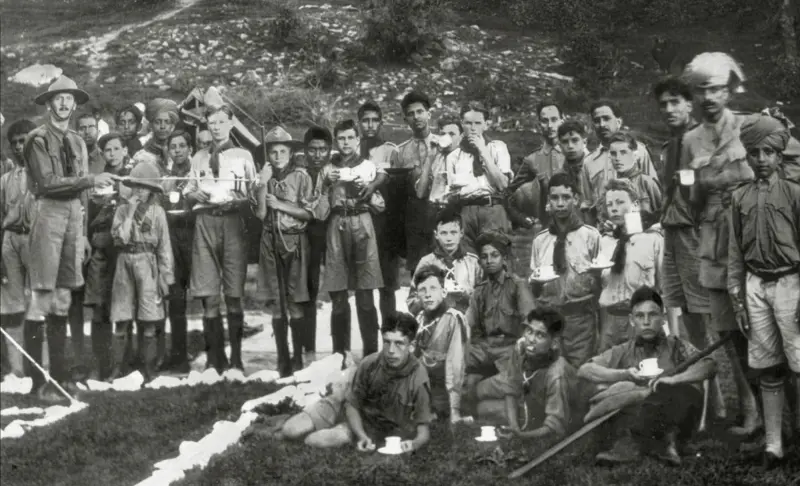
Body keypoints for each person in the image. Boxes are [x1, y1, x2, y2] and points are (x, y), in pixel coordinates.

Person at [23, 76, 117, 401]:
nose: (64, 104)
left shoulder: (78, 141)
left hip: (73, 219)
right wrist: (89, 179)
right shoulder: (37, 139)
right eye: (58, 98)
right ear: (49, 103)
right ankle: (38, 381)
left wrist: (83, 231)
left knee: (63, 298)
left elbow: (83, 195)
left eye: (69, 99)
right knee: (41, 298)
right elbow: (48, 183)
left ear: (75, 104)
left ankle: (61, 380)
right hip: (47, 214)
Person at [681, 52, 755, 425]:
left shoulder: (750, 127)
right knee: (728, 331)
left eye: (716, 90)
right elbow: (690, 202)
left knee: (762, 324)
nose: (708, 98)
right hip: (713, 238)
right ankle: (751, 409)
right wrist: (693, 177)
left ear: (730, 91)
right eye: (701, 90)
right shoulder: (690, 139)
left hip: (753, 235)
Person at [728, 115, 800, 469]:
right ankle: (774, 445)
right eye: (754, 152)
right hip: (756, 285)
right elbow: (735, 254)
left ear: (779, 156)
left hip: (791, 284)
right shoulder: (739, 197)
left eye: (768, 152)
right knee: (768, 366)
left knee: (799, 362)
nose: (760, 159)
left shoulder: (794, 194)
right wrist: (738, 299)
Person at [578, 287, 716, 467]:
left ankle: (641, 443)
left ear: (664, 318)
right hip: (644, 409)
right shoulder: (625, 349)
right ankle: (661, 444)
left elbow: (709, 365)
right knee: (628, 394)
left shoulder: (676, 345)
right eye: (640, 316)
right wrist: (624, 374)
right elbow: (585, 369)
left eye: (652, 315)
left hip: (678, 410)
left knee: (679, 393)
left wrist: (674, 380)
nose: (646, 322)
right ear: (631, 320)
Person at [183, 98, 257, 373]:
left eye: (221, 122)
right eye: (211, 122)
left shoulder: (243, 156)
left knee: (233, 294)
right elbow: (188, 191)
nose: (215, 127)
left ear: (230, 124)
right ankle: (216, 359)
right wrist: (194, 194)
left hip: (232, 223)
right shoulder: (199, 157)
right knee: (209, 296)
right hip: (205, 223)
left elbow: (254, 193)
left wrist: (240, 201)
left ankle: (236, 358)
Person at [255, 127, 317, 376]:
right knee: (277, 303)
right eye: (273, 151)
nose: (278, 155)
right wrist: (261, 185)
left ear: (291, 153)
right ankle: (282, 361)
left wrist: (280, 204)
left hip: (295, 241)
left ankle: (297, 357)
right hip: (270, 241)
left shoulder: (302, 177)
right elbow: (260, 213)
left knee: (295, 301)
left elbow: (308, 213)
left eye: (283, 151)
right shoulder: (264, 177)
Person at [109, 162, 173, 382]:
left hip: (148, 263)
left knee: (148, 318)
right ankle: (118, 368)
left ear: (152, 191)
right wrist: (130, 212)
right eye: (136, 186)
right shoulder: (121, 210)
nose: (139, 191)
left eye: (144, 187)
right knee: (122, 316)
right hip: (124, 261)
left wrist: (166, 276)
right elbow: (122, 239)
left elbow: (164, 247)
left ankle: (149, 369)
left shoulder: (158, 213)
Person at [530, 172, 601, 367]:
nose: (560, 203)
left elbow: (600, 282)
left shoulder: (591, 237)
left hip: (580, 320)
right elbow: (534, 284)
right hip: (550, 319)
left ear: (576, 200)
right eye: (555, 198)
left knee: (579, 372)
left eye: (566, 197)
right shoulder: (540, 241)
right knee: (550, 372)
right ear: (548, 201)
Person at [478, 308, 578, 443]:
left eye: (540, 335)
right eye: (529, 331)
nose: (531, 339)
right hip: (530, 404)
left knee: (487, 409)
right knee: (482, 407)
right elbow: (511, 388)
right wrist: (514, 427)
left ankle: (528, 426)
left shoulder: (557, 373)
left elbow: (555, 427)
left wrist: (521, 436)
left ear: (554, 343)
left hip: (553, 414)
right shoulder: (521, 347)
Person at [345, 311, 434, 453]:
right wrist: (361, 435)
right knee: (299, 430)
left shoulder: (418, 376)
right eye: (387, 342)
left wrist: (414, 444)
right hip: (359, 418)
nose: (391, 350)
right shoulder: (369, 363)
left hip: (382, 429)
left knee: (332, 437)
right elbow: (352, 404)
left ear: (411, 346)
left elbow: (423, 430)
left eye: (399, 343)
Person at [83, 132, 132, 380]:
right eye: (107, 150)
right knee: (99, 308)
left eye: (116, 148)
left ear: (125, 150)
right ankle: (99, 365)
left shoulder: (133, 177)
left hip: (125, 249)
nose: (112, 154)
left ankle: (120, 365)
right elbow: (88, 215)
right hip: (101, 247)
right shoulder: (98, 181)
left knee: (123, 306)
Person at [465, 231, 535, 400]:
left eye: (494, 255)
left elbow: (530, 321)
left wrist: (522, 345)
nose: (489, 261)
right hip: (485, 347)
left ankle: (481, 390)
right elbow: (469, 324)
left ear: (504, 259)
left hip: (509, 347)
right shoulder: (480, 290)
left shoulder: (517, 286)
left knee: (509, 381)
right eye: (484, 256)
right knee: (457, 360)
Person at [595, 179, 663, 351]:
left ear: (635, 205)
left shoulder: (652, 240)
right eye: (609, 204)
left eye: (620, 202)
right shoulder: (604, 242)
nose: (614, 208)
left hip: (642, 320)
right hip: (610, 320)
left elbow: (664, 288)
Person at [447, 101, 512, 253]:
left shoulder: (497, 148)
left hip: (492, 208)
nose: (473, 128)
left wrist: (483, 150)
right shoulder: (453, 157)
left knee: (495, 260)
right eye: (468, 123)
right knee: (467, 260)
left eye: (478, 123)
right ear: (462, 124)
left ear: (486, 125)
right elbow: (451, 193)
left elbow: (502, 184)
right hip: (465, 212)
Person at [0, 119, 37, 380]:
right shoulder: (5, 179)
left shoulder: (46, 175)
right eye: (14, 143)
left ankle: (41, 365)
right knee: (12, 308)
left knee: (40, 303)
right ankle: (16, 370)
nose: (18, 147)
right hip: (11, 240)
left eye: (23, 141)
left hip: (37, 240)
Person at [357, 101, 399, 325]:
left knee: (387, 288)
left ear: (381, 123)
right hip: (362, 223)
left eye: (375, 120)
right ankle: (369, 345)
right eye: (366, 120)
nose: (370, 125)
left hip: (386, 226)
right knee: (364, 288)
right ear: (359, 123)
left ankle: (390, 335)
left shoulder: (390, 150)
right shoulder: (353, 150)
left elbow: (397, 187)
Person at [412, 265, 470, 422]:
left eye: (433, 288)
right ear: (417, 295)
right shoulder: (420, 319)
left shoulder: (453, 318)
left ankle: (449, 410)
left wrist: (455, 410)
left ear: (444, 292)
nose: (428, 295)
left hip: (447, 388)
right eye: (422, 290)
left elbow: (455, 364)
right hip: (426, 386)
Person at [159, 129, 196, 373]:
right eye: (173, 147)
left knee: (206, 294)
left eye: (182, 146)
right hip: (173, 237)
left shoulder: (198, 172)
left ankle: (216, 354)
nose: (178, 150)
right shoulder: (166, 178)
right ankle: (179, 354)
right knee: (175, 297)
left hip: (195, 235)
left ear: (189, 149)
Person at [298, 126, 334, 364]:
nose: (318, 154)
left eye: (322, 149)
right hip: (309, 232)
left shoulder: (335, 171)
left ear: (329, 150)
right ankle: (307, 349)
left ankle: (341, 350)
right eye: (313, 150)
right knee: (308, 289)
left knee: (338, 290)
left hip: (333, 230)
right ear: (305, 151)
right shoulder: (300, 174)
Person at [406, 208, 481, 315]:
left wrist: (467, 297)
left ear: (461, 233)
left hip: (466, 321)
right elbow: (412, 302)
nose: (449, 238)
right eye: (444, 233)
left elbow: (484, 299)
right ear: (436, 234)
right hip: (436, 322)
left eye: (453, 232)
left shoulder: (473, 262)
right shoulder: (426, 262)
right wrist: (435, 299)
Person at [394, 92, 437, 271]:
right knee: (417, 273)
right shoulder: (400, 152)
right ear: (405, 119)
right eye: (411, 114)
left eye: (420, 111)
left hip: (440, 214)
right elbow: (398, 194)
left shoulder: (444, 144)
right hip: (414, 219)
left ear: (429, 113)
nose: (416, 117)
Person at [507, 100, 565, 229]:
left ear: (562, 120)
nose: (550, 125)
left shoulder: (575, 153)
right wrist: (523, 219)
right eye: (545, 121)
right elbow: (509, 196)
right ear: (539, 125)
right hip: (548, 227)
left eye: (554, 119)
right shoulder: (533, 159)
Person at [586, 100, 658, 186]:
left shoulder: (639, 151)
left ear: (618, 122)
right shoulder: (588, 162)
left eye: (606, 118)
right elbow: (586, 198)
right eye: (597, 120)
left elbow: (653, 189)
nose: (602, 124)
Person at [415, 114, 463, 219]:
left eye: (452, 134)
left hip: (457, 211)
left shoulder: (465, 158)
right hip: (434, 211)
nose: (447, 138)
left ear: (461, 136)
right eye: (443, 134)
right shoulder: (436, 158)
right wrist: (430, 157)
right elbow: (420, 193)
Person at [602, 132, 662, 216]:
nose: (617, 158)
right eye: (613, 154)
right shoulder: (610, 186)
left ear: (635, 155)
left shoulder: (647, 182)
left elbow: (662, 216)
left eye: (623, 152)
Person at [555, 121, 594, 225]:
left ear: (584, 142)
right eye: (565, 142)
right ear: (559, 145)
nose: (570, 146)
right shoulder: (559, 174)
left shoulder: (596, 167)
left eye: (575, 140)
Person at [132, 98, 179, 174]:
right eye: (158, 122)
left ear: (172, 126)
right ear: (151, 125)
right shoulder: (141, 151)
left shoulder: (180, 151)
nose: (162, 126)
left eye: (167, 122)